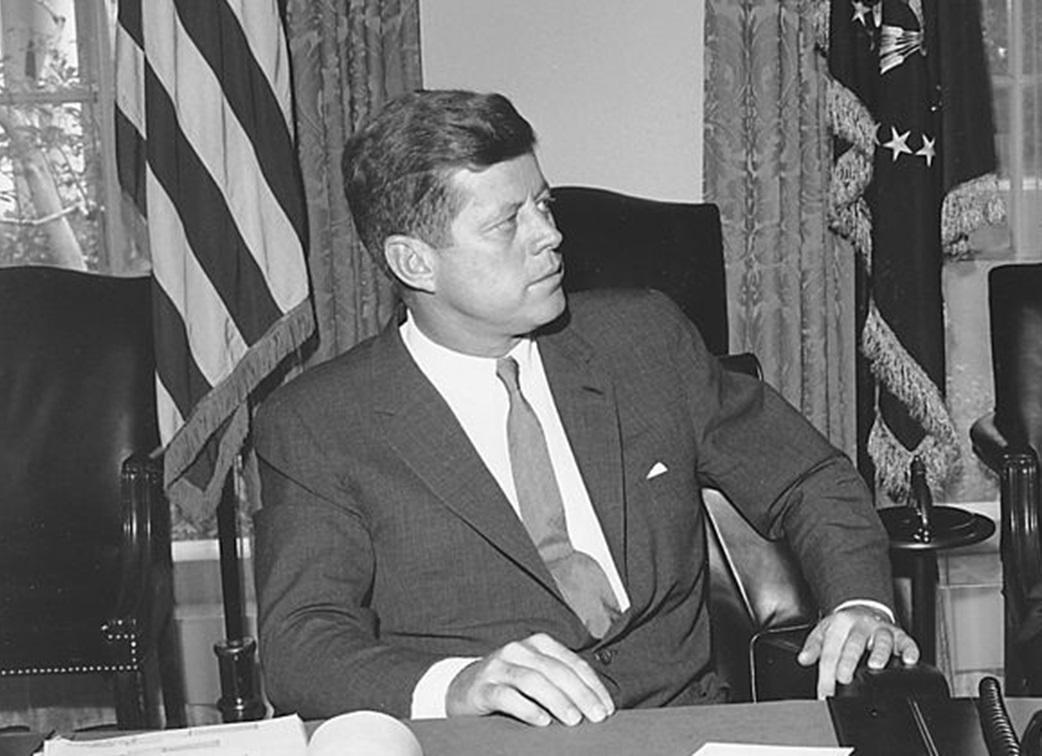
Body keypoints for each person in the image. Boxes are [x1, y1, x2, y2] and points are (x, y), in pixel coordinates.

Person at [252, 89, 919, 727]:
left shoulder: (643, 340)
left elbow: (806, 477)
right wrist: (457, 685)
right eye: (506, 222)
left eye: (542, 204)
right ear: (415, 263)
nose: (548, 235)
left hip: (683, 732)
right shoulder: (319, 423)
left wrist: (859, 603)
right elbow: (302, 643)